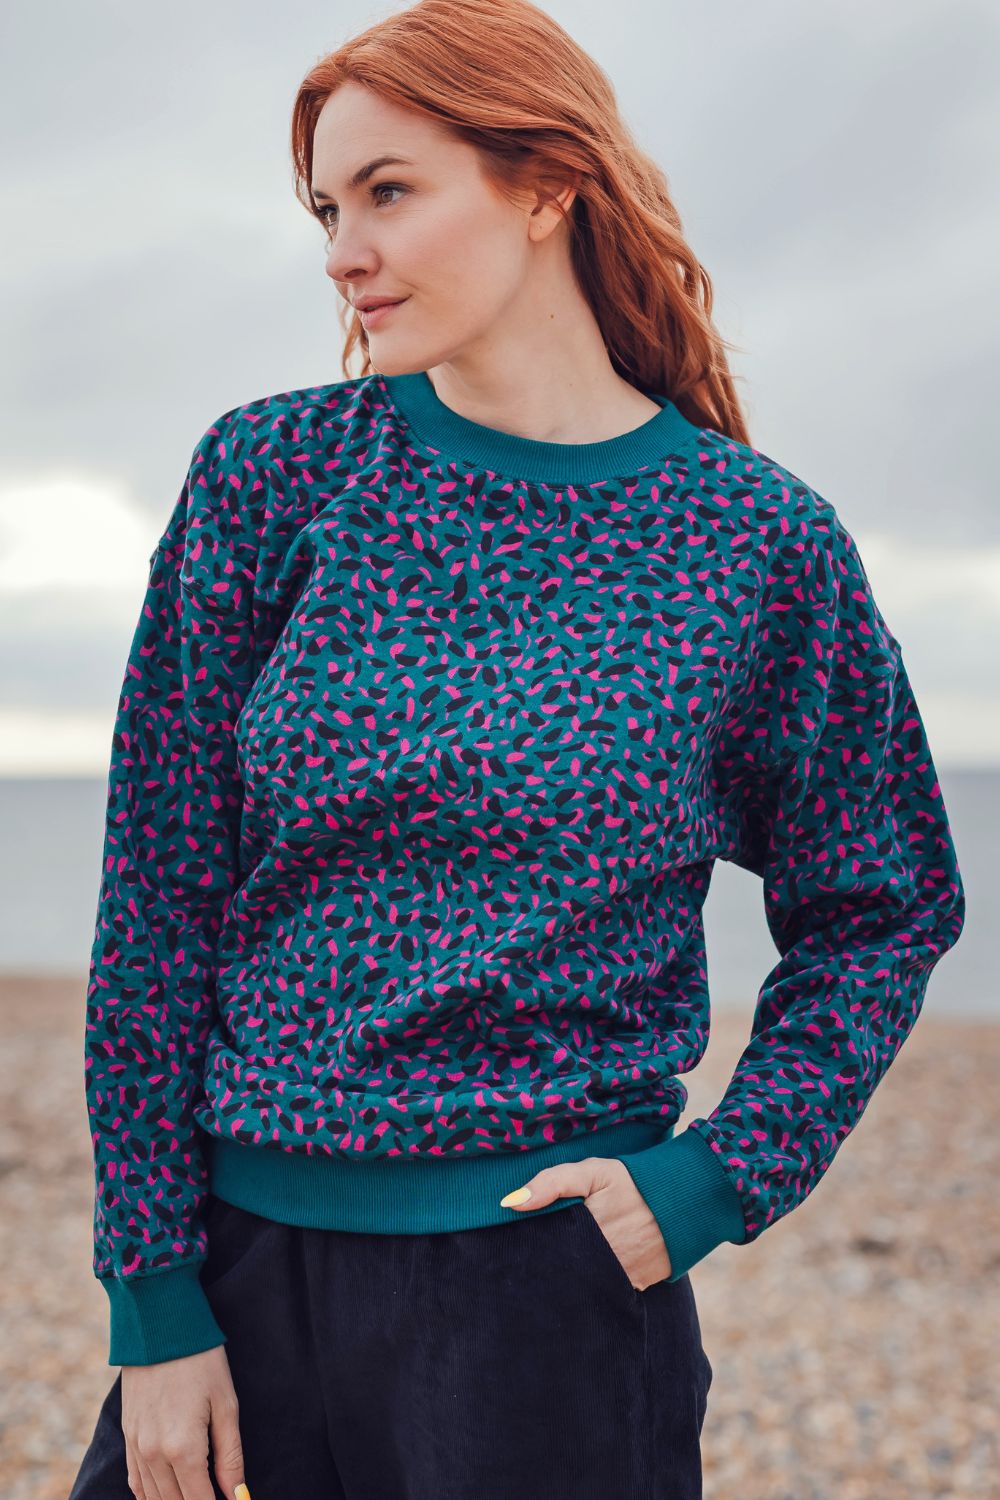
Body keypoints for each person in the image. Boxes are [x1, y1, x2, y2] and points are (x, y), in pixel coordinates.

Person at [69, 1, 967, 1496]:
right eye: (325, 209)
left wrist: (718, 1177)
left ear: (546, 186)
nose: (343, 250)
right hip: (240, 1287)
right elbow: (157, 896)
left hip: (545, 1317)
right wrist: (152, 1296)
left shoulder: (753, 544)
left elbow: (882, 904)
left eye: (390, 192)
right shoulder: (271, 475)